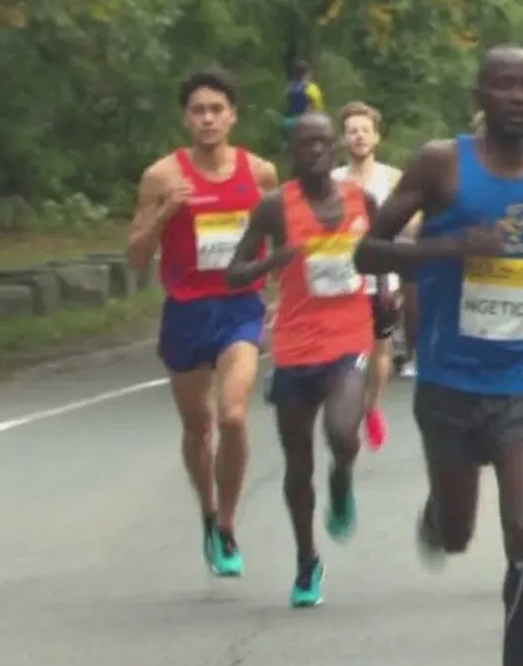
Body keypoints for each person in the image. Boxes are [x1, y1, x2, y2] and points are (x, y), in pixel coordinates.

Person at [353, 45, 523, 666]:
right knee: (458, 534)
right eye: (503, 84)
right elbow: (368, 253)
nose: (517, 96)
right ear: (479, 94)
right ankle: (439, 510)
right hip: (451, 382)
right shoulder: (440, 164)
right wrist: (448, 249)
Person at [218, 113, 375, 607]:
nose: (315, 152)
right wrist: (272, 261)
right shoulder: (274, 206)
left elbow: (383, 252)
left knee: (342, 433)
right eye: (305, 144)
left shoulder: (361, 200)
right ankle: (307, 560)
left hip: (349, 338)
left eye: (322, 143)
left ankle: (342, 477)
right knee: (298, 462)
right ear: (292, 150)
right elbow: (234, 272)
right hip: (295, 346)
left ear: (334, 148)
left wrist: (388, 296)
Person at [127, 69, 279, 578]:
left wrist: (283, 296)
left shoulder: (260, 173)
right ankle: (208, 514)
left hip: (240, 308)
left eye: (217, 109)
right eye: (198, 111)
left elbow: (282, 241)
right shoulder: (161, 177)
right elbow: (135, 256)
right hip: (187, 311)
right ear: (185, 119)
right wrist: (165, 213)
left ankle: (229, 523)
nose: (208, 119)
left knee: (233, 415)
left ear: (233, 116)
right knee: (198, 427)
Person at [335, 100, 404, 451]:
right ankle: (344, 406)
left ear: (376, 137)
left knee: (381, 349)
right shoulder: (332, 181)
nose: (359, 136)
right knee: (345, 351)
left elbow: (414, 222)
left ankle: (372, 405)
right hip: (341, 278)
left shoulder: (393, 178)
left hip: (383, 278)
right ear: (343, 139)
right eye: (352, 131)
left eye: (365, 130)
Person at [283, 58, 324, 128]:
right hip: (307, 120)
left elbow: (285, 104)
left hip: (291, 120)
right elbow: (317, 106)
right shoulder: (312, 88)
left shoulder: (289, 87)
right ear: (308, 73)